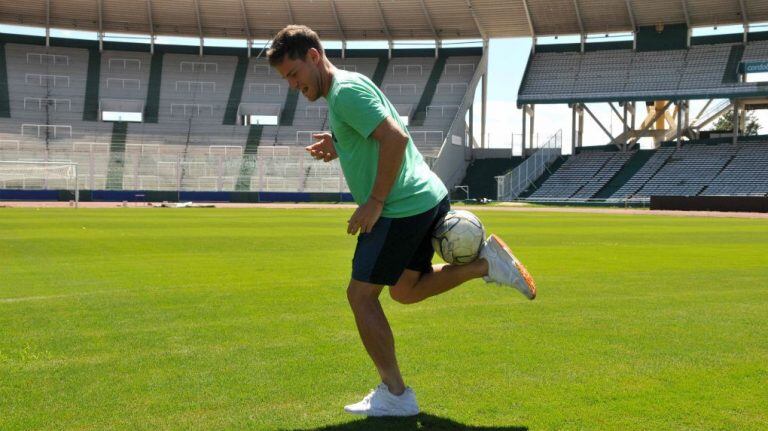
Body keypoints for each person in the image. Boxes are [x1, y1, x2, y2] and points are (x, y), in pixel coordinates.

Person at [267, 25, 536, 417]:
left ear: (312, 56)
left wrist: (375, 201)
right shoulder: (347, 87)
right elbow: (376, 136)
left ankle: (396, 396)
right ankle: (486, 264)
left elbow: (395, 139)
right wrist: (339, 144)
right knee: (405, 290)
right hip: (423, 197)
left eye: (293, 74)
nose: (293, 85)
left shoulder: (344, 93)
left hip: (399, 206)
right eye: (286, 79)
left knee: (360, 296)